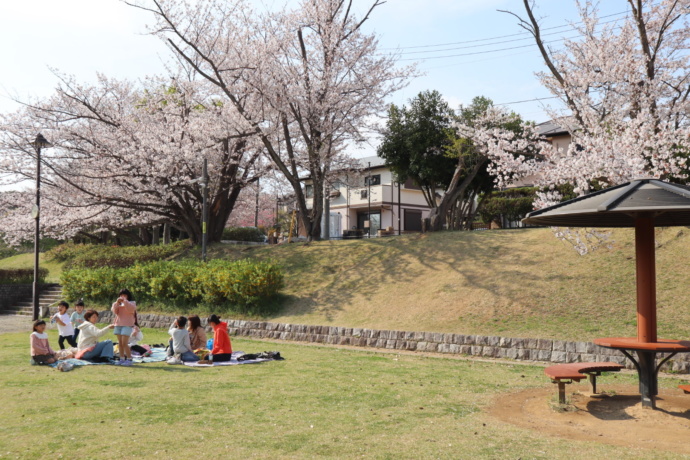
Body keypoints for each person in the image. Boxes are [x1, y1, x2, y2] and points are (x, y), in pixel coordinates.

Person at [111, 288, 137, 366]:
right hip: (118, 324)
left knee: (125, 343)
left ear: (128, 296)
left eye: (125, 295)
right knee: (120, 343)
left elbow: (131, 309)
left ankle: (129, 359)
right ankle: (121, 358)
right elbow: (114, 311)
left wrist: (125, 301)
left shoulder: (132, 303)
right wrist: (117, 303)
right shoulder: (117, 303)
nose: (123, 297)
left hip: (127, 325)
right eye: (121, 295)